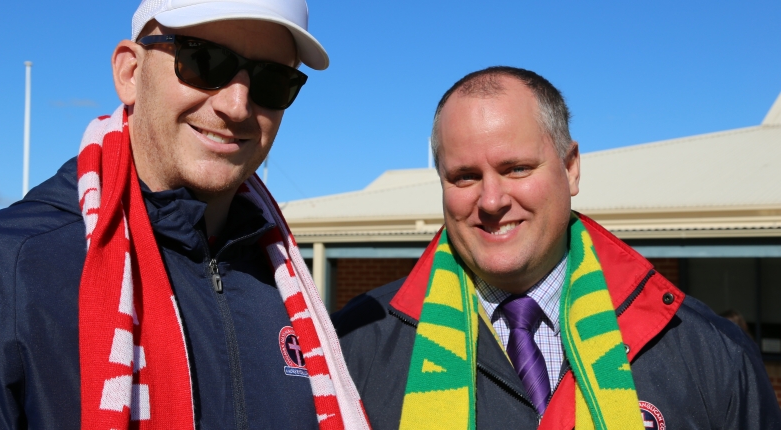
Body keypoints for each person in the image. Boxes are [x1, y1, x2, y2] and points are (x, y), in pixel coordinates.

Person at [0, 1, 369, 429]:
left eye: (273, 80)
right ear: (130, 72)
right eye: (204, 60)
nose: (236, 105)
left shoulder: (288, 289)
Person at [333, 66, 781, 429]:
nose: (491, 201)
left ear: (570, 170)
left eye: (516, 168)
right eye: (464, 176)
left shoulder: (707, 349)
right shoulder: (353, 347)